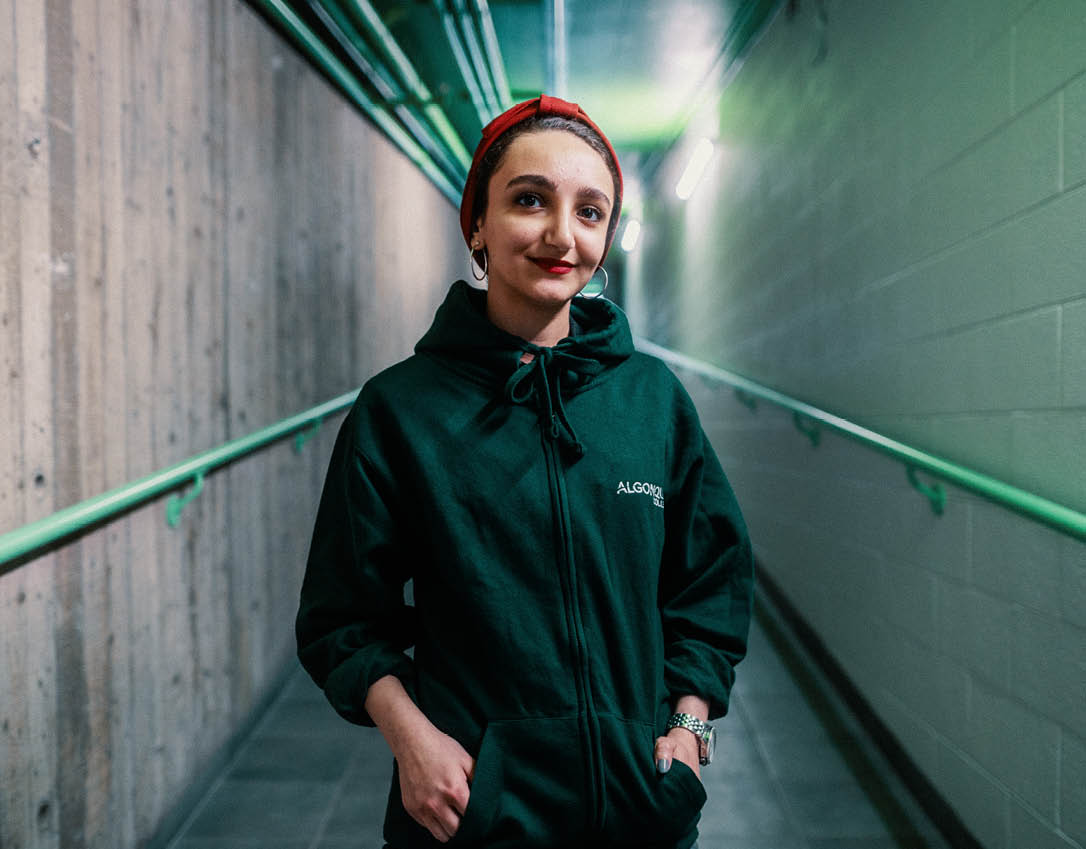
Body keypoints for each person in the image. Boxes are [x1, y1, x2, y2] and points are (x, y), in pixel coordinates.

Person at [296, 94, 753, 849]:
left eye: (589, 211)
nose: (561, 234)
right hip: (473, 815)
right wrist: (413, 742)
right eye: (530, 200)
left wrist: (690, 724)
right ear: (478, 222)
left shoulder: (651, 400)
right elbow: (341, 618)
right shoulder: (400, 410)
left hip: (641, 814)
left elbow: (709, 579)